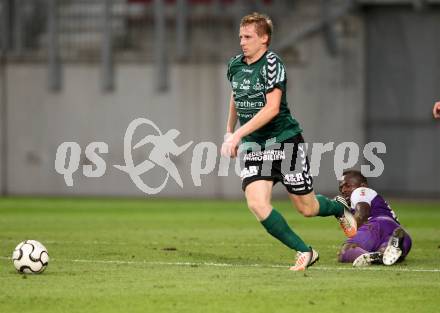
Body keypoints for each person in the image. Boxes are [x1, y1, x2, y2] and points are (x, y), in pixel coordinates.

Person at [220, 12, 357, 271]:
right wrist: (230, 130)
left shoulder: (273, 63)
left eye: (248, 37)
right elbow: (236, 96)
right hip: (255, 146)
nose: (242, 42)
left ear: (264, 39)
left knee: (307, 208)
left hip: (285, 143)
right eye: (240, 36)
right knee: (257, 204)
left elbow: (272, 109)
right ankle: (304, 251)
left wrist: (237, 134)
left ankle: (338, 208)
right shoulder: (235, 65)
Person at [337, 170, 412, 267]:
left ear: (363, 185)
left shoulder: (360, 191)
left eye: (347, 186)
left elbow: (362, 215)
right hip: (399, 232)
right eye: (341, 188)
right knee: (386, 254)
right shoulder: (366, 199)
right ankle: (387, 248)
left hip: (375, 226)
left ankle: (369, 256)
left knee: (345, 251)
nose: (343, 190)